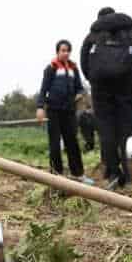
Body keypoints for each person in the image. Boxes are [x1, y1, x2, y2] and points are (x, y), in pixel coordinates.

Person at [80, 7, 132, 188]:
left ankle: (112, 172)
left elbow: (84, 63)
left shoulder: (92, 36)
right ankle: (131, 175)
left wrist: (95, 79)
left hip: (101, 89)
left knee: (106, 129)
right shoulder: (131, 32)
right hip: (128, 86)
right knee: (129, 128)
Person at [35, 40, 93, 183]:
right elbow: (43, 89)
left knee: (72, 142)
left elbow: (80, 87)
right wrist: (40, 107)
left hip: (69, 111)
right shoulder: (51, 68)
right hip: (54, 110)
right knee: (54, 143)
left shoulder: (74, 68)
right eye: (63, 50)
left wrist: (79, 93)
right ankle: (56, 175)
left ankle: (78, 174)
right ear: (57, 52)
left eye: (68, 50)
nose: (65, 53)